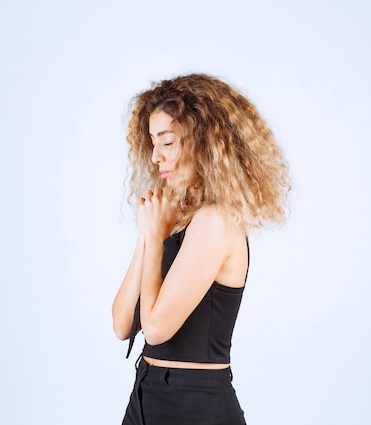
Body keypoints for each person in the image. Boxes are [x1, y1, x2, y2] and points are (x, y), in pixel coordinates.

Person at [112, 73, 290, 425]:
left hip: (196, 404)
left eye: (167, 141)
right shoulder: (170, 218)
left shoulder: (216, 222)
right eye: (152, 142)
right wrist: (151, 235)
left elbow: (158, 327)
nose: (155, 156)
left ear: (201, 142)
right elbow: (121, 324)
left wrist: (154, 234)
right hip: (146, 394)